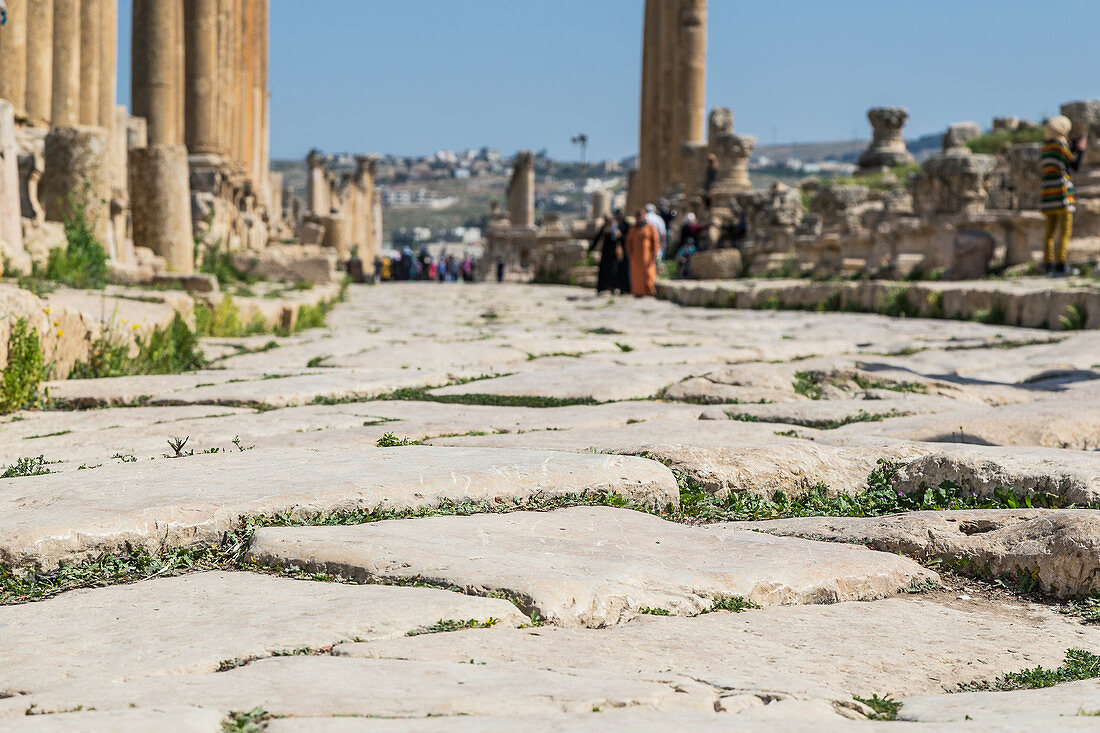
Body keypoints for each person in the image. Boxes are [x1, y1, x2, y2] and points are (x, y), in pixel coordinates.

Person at [1040, 115, 1087, 276]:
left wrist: (1071, 147)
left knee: (1049, 232)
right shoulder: (1061, 146)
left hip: (1047, 193)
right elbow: (1074, 165)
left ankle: (1048, 265)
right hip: (1061, 193)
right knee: (1065, 230)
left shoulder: (1046, 148)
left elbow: (1061, 159)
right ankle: (1061, 264)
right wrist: (1080, 150)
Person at [625, 209, 659, 297]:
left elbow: (655, 241)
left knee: (648, 272)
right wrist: (629, 251)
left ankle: (649, 290)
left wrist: (655, 252)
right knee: (637, 274)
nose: (639, 218)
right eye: (637, 216)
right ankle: (638, 291)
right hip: (636, 256)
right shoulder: (633, 228)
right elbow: (628, 241)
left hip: (647, 255)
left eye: (640, 216)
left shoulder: (650, 227)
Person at [591, 215, 625, 294]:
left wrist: (616, 234)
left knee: (613, 270)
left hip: (613, 253)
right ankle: (602, 287)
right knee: (603, 270)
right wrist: (590, 249)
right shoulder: (604, 228)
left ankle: (612, 287)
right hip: (605, 252)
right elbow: (597, 238)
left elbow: (620, 238)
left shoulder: (615, 228)